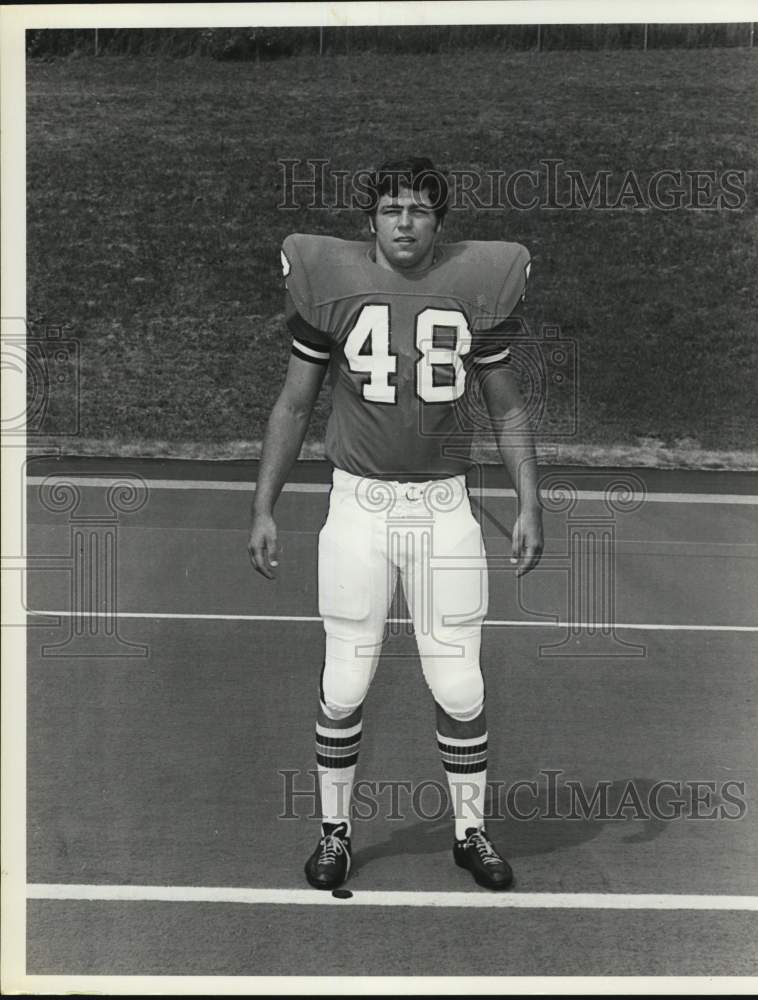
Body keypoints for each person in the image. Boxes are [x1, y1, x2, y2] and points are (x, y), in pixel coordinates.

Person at [248, 157, 543, 892]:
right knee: (346, 682)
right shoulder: (332, 286)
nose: (404, 221)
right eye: (391, 209)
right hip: (360, 506)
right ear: (369, 222)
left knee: (461, 687)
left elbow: (506, 408)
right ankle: (335, 835)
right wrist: (264, 505)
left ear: (440, 223)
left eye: (418, 209)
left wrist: (531, 501)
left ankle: (469, 833)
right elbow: (293, 404)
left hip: (444, 509)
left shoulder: (475, 287)